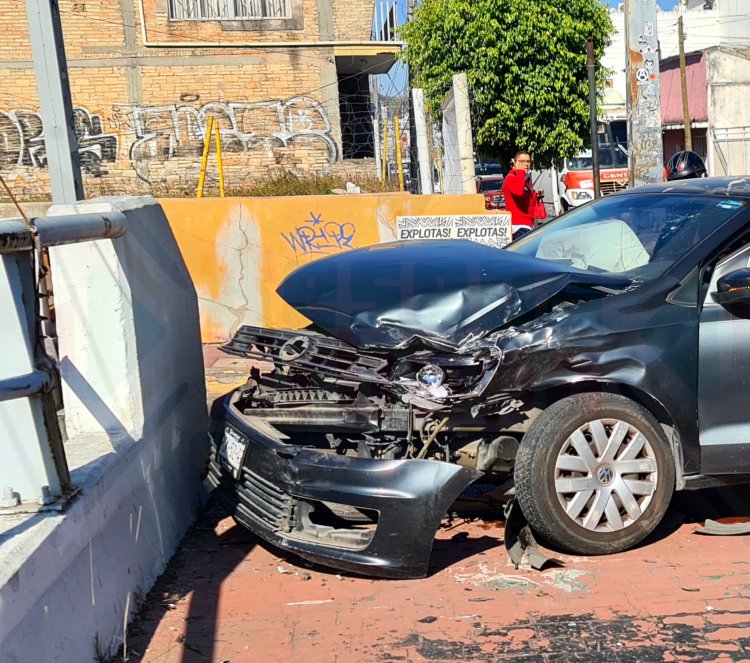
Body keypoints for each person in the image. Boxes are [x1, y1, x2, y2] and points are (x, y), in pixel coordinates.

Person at [502, 150, 545, 238]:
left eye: (528, 161)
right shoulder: (511, 178)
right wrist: (520, 171)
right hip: (518, 227)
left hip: (527, 224)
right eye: (522, 161)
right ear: (514, 162)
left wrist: (536, 196)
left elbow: (528, 203)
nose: (526, 164)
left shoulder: (522, 179)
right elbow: (518, 192)